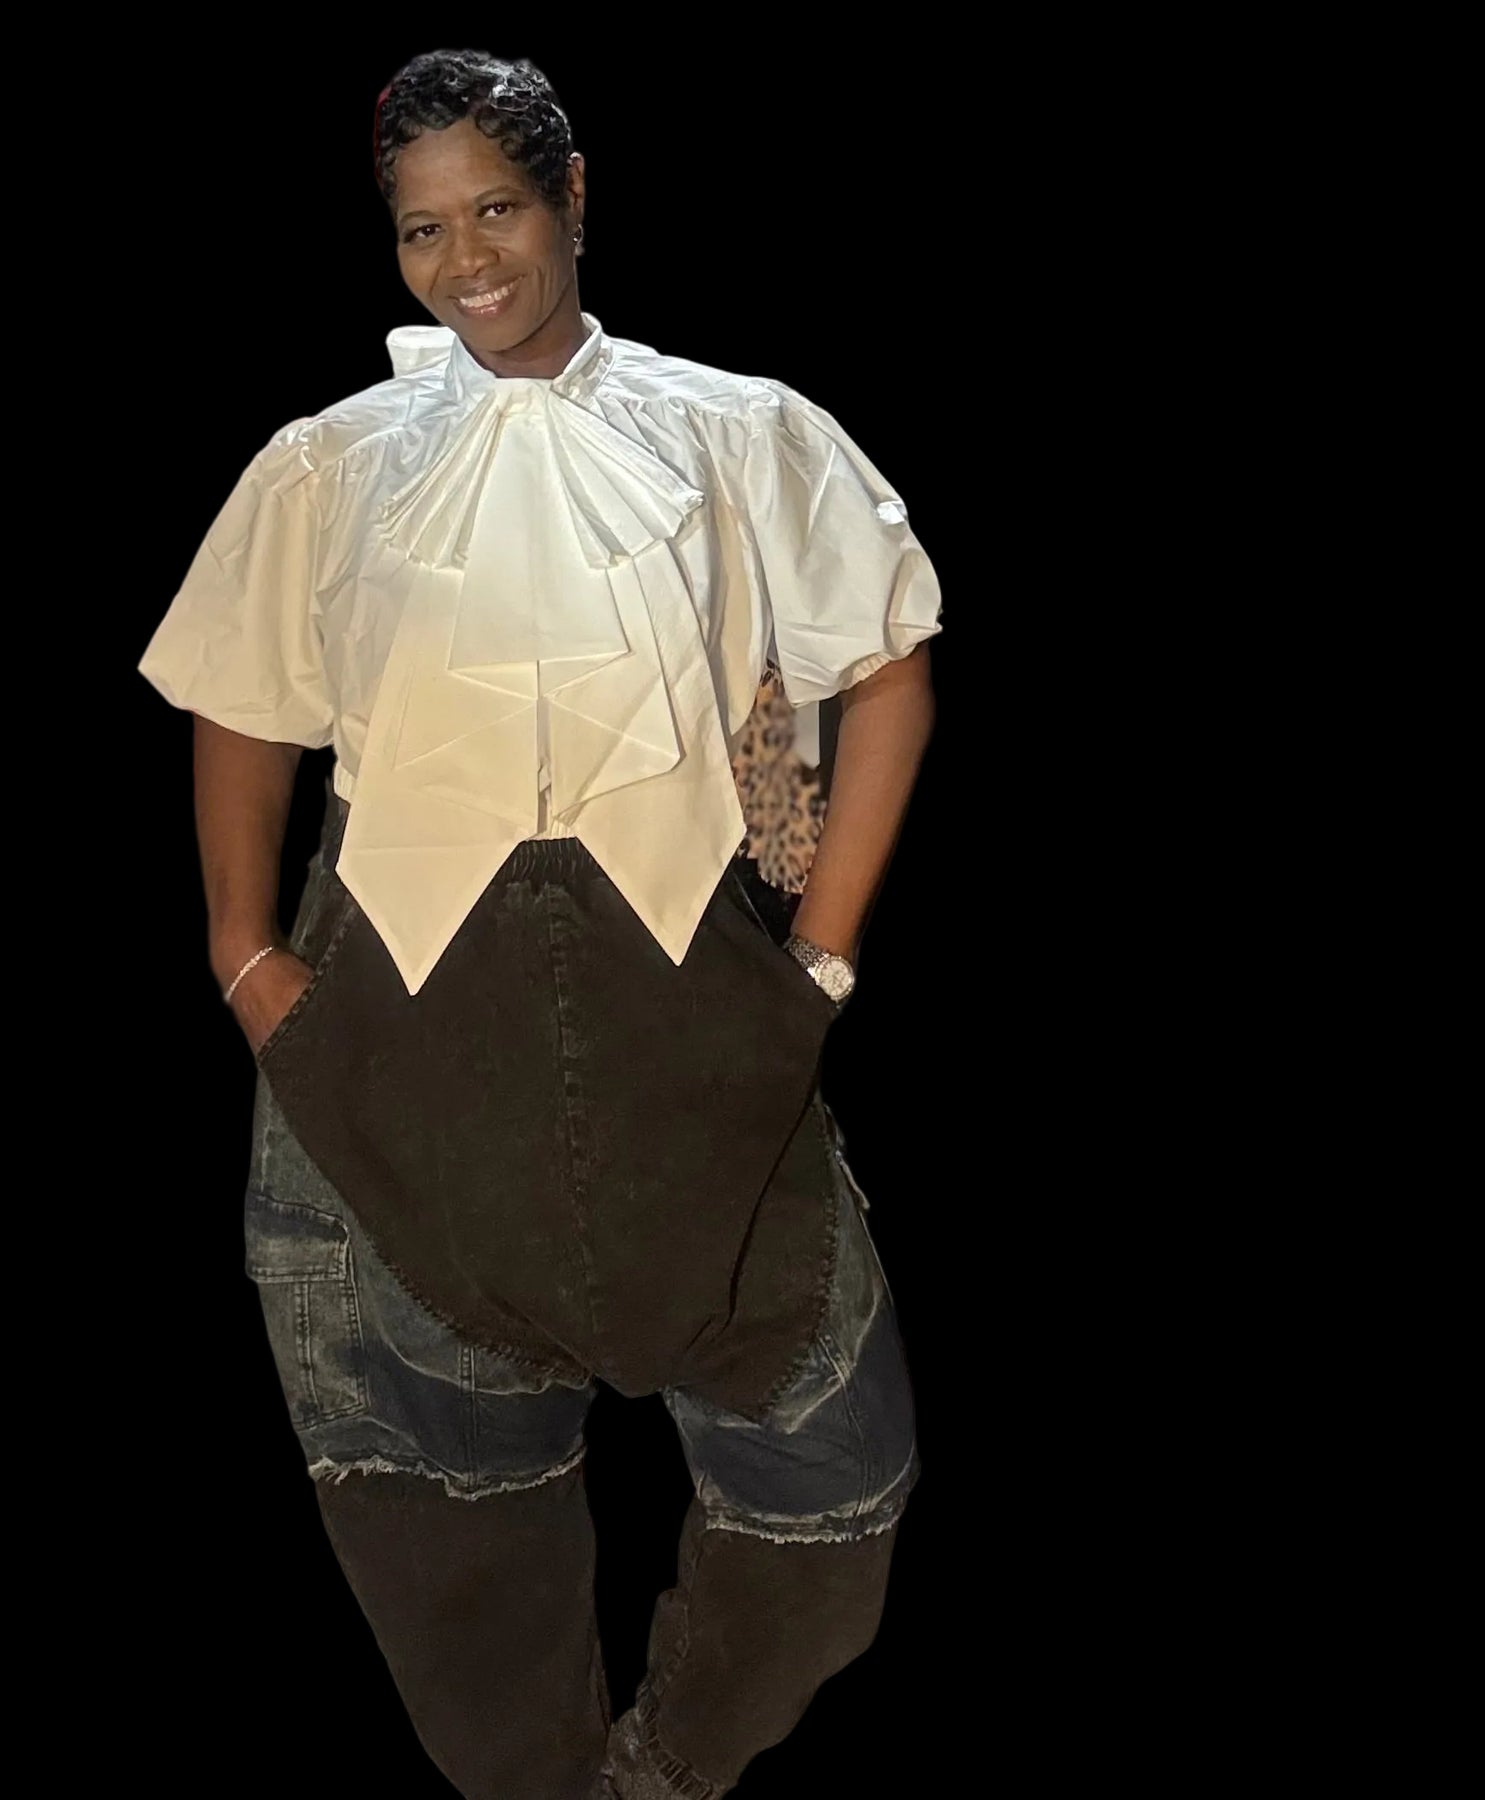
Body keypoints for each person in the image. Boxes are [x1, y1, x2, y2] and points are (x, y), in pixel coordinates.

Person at [138, 47, 941, 1800]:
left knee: (830, 1497)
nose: (464, 259)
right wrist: (244, 957)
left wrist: (819, 952)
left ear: (575, 198)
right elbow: (239, 705)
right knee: (446, 1555)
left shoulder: (738, 428)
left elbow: (875, 671)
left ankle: (665, 1772)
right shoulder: (331, 461)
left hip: (689, 1027)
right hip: (390, 1038)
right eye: (422, 228)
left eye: (495, 208)